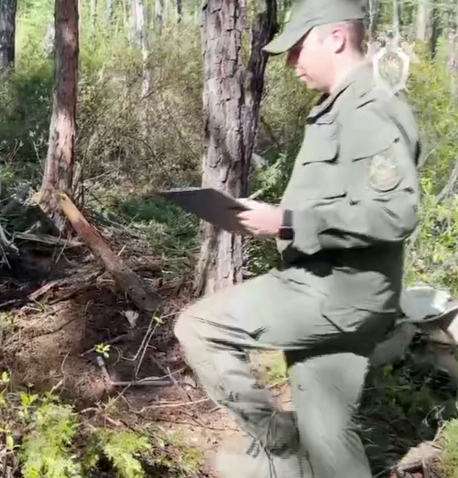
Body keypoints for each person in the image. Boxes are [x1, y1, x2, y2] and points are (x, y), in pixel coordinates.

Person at [172, 0, 421, 477]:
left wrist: (287, 223)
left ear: (335, 38)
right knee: (328, 435)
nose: (291, 63)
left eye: (298, 48)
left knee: (199, 327)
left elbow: (396, 213)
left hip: (336, 292)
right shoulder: (346, 103)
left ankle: (279, 447)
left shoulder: (370, 106)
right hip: (341, 289)